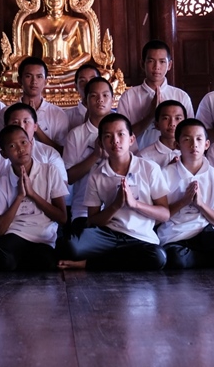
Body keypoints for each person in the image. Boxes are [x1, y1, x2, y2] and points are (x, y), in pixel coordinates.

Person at [59, 114, 170, 271]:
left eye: (121, 134)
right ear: (101, 143)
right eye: (108, 136)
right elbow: (92, 220)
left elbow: (165, 214)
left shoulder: (149, 168)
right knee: (70, 247)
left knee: (158, 258)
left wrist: (135, 204)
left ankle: (88, 264)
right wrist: (115, 206)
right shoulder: (97, 174)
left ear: (131, 139)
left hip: (140, 236)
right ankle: (120, 258)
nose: (115, 141)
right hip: (108, 234)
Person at [157, 119, 214, 269]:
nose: (194, 145)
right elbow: (157, 219)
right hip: (175, 235)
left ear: (207, 144)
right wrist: (184, 201)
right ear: (177, 145)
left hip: (204, 233)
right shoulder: (165, 174)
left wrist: (201, 204)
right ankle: (207, 261)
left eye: (199, 139)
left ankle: (195, 259)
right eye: (187, 139)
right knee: (176, 259)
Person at [0, 125, 68, 271]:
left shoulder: (50, 171)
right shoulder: (3, 182)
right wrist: (19, 196)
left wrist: (32, 194)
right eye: (12, 146)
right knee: (4, 259)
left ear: (31, 143)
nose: (20, 149)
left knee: (45, 263)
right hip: (15, 234)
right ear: (4, 154)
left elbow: (62, 218)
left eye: (23, 142)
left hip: (43, 238)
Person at [117, 40, 194, 151]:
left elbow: (190, 132)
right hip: (138, 156)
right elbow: (121, 135)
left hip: (175, 156)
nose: (156, 67)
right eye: (151, 61)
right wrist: (150, 116)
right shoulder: (128, 96)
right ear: (142, 64)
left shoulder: (181, 96)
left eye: (162, 62)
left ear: (169, 65)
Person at [21, 0, 93, 71]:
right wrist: (16, 64)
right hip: (44, 71)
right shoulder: (31, 25)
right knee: (9, 75)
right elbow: (26, 56)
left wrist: (69, 66)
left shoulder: (80, 23)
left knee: (105, 74)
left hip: (69, 71)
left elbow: (86, 54)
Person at [63, 77, 115, 234]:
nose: (100, 100)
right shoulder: (76, 135)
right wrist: (95, 156)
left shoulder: (122, 132)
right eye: (94, 96)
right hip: (83, 210)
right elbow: (68, 177)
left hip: (117, 209)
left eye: (105, 95)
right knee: (77, 244)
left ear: (112, 99)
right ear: (85, 100)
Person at [0, 102, 66, 187]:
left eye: (26, 121)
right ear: (6, 127)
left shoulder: (50, 153)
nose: (21, 127)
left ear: (35, 126)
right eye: (15, 122)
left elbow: (62, 187)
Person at [18, 56, 69, 153]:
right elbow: (1, 149)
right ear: (19, 80)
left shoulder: (58, 114)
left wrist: (36, 127)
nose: (34, 82)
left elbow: (62, 152)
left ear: (46, 81)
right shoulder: (6, 112)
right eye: (28, 76)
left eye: (39, 76)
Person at [138, 100, 185, 169]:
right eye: (166, 118)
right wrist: (167, 170)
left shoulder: (193, 152)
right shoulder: (144, 157)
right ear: (157, 124)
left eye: (177, 118)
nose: (172, 124)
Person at [65, 64, 102, 131]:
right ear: (76, 87)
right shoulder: (66, 117)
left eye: (92, 79)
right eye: (82, 81)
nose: (88, 84)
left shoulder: (112, 116)